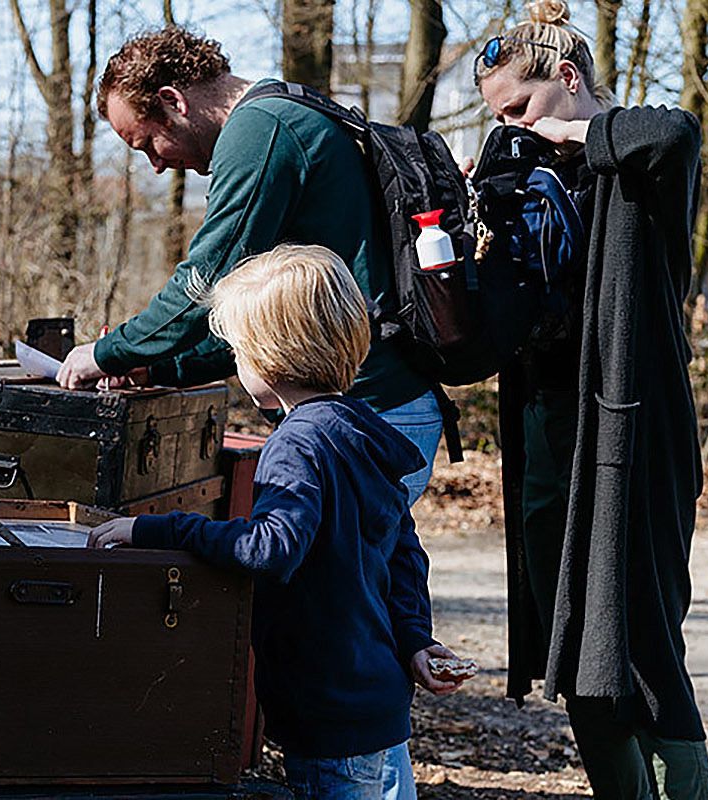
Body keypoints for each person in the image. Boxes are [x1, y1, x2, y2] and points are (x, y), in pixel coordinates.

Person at [86, 244, 470, 800]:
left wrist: (154, 530)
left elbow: (271, 547)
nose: (238, 365)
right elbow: (403, 550)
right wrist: (414, 639)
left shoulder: (297, 443)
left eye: (239, 351)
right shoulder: (356, 429)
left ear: (271, 356)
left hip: (327, 712)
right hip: (376, 704)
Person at [473, 2, 708, 798]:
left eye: (520, 106)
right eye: (499, 116)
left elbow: (672, 131)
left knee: (641, 640)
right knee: (570, 638)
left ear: (568, 80)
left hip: (634, 427)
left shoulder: (639, 151)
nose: (512, 126)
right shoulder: (526, 166)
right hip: (547, 426)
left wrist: (568, 135)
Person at [56, 27, 443, 505]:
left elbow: (204, 284)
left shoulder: (260, 131)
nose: (155, 166)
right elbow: (260, 326)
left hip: (368, 408)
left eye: (148, 144)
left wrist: (107, 353)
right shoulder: (285, 112)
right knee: (368, 573)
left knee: (336, 577)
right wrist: (155, 365)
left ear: (174, 101)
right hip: (373, 407)